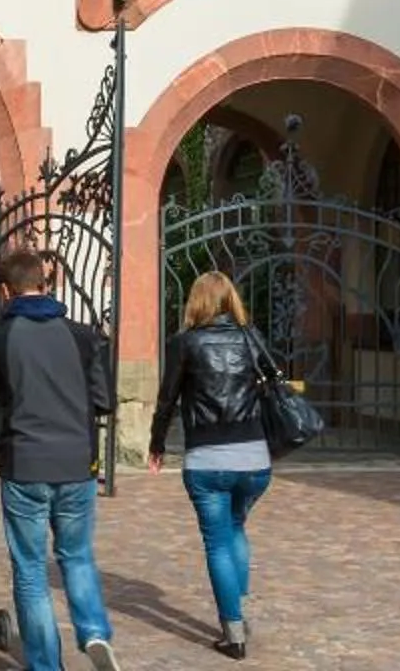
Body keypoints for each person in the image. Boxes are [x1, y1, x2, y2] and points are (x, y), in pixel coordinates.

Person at [0, 247, 118, 671]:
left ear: (6, 291)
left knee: (30, 569)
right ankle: (95, 632)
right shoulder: (83, 336)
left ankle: (46, 664)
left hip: (24, 462)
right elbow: (104, 401)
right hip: (76, 464)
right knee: (77, 555)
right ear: (44, 283)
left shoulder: (0, 338)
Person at [148, 273, 274, 660]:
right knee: (235, 528)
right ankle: (239, 609)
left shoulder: (184, 343)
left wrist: (157, 444)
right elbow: (272, 384)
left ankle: (233, 633)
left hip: (208, 459)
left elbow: (167, 398)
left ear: (195, 301)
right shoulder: (251, 337)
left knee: (217, 540)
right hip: (255, 458)